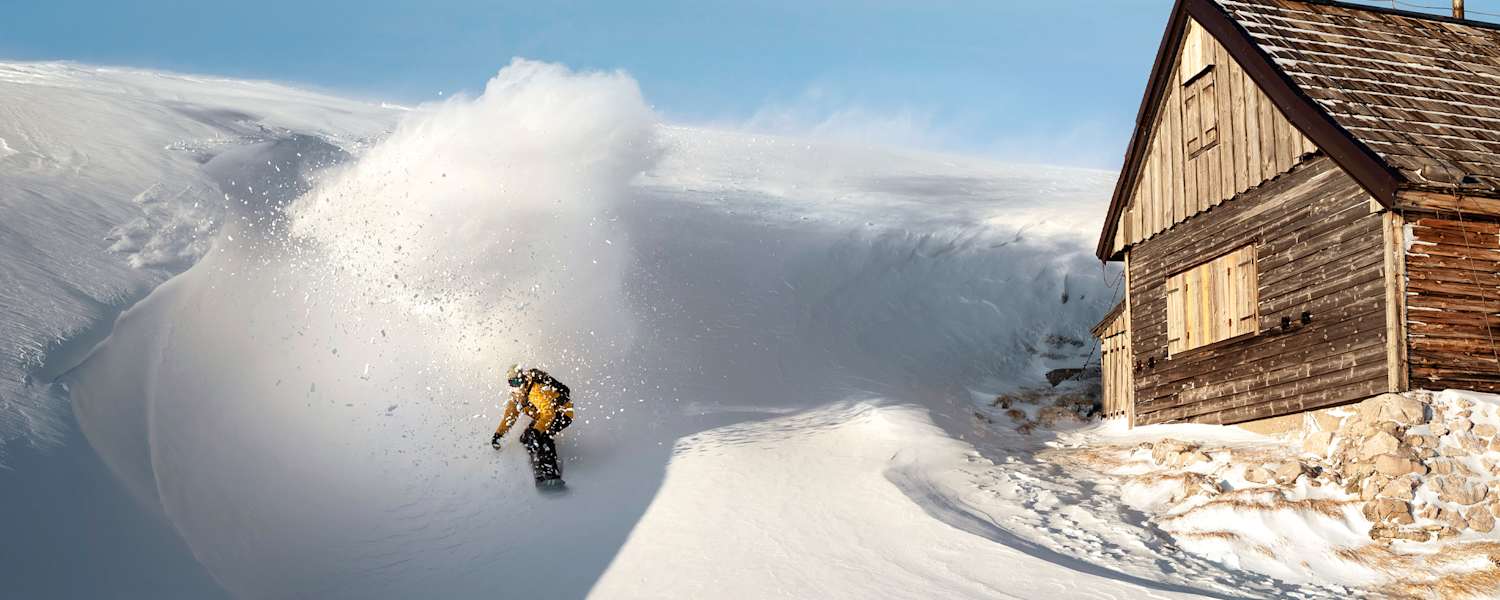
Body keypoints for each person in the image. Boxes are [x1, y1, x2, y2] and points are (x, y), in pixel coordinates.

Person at [491, 364, 574, 486]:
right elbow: (510, 416)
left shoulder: (535, 390)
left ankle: (551, 473)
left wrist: (537, 430)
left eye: (518, 381)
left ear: (524, 378)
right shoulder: (516, 397)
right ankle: (538, 462)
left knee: (542, 435)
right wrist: (498, 434)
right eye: (513, 382)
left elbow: (549, 413)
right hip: (545, 416)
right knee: (526, 437)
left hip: (562, 412)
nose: (517, 385)